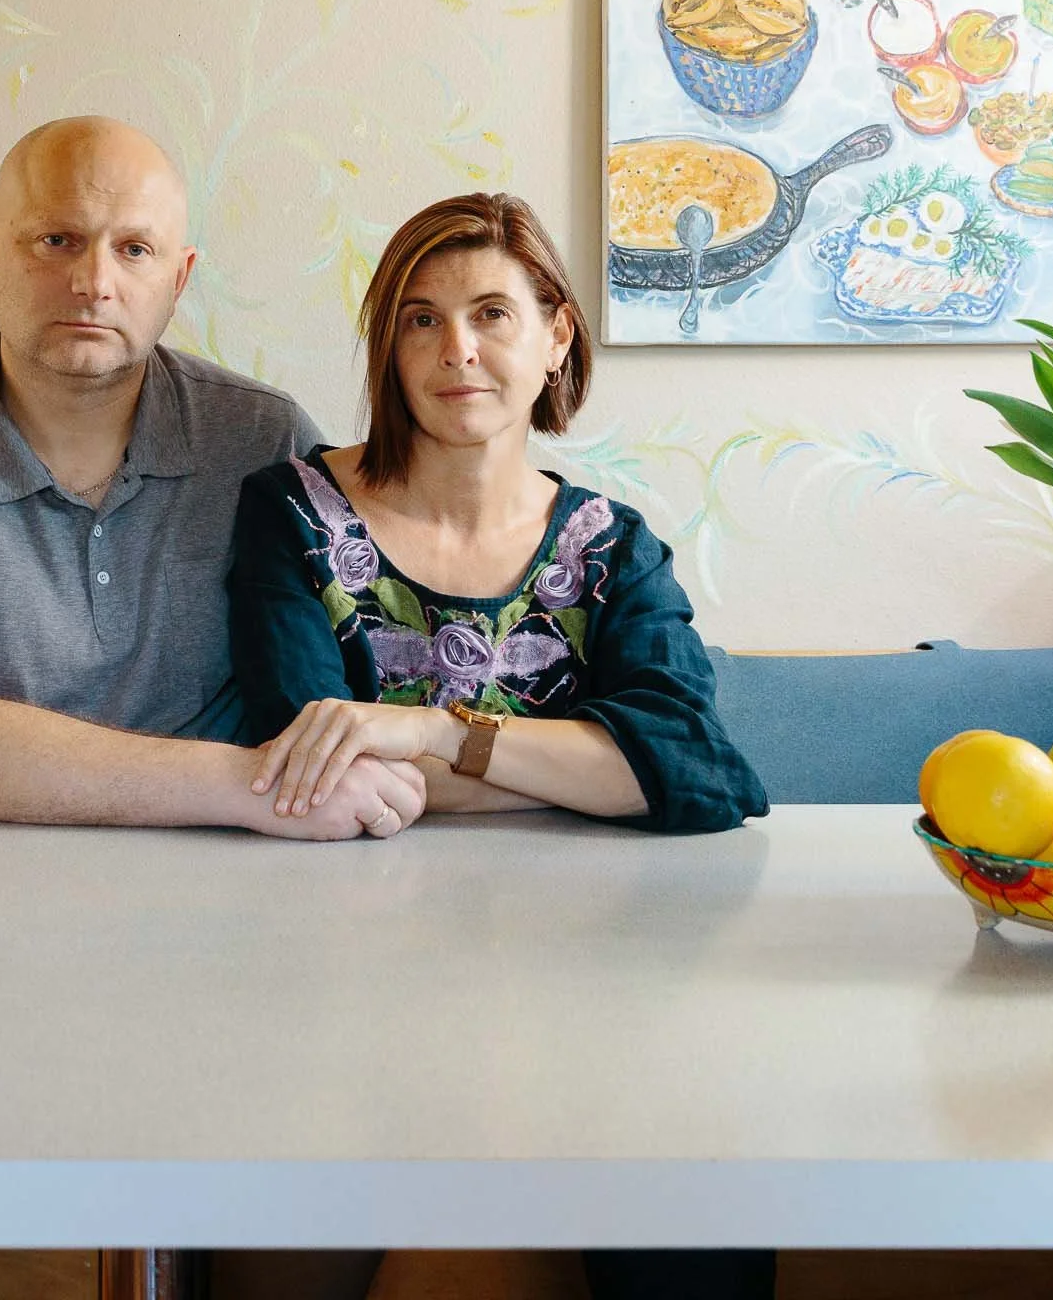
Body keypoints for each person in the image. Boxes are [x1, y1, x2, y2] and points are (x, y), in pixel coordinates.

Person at [0, 117, 427, 1300]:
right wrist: (247, 785)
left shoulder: (262, 440)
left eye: (132, 247)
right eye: (56, 238)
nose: (92, 279)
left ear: (180, 276)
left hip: (228, 940)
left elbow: (343, 689)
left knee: (346, 1157)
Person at [227, 190, 773, 1300]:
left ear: (556, 332)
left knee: (696, 1180)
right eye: (419, 318)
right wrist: (584, 772)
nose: (456, 349)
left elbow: (699, 775)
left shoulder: (612, 545)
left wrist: (432, 727)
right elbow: (317, 764)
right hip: (334, 971)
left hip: (595, 974)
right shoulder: (289, 513)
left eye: (490, 312)